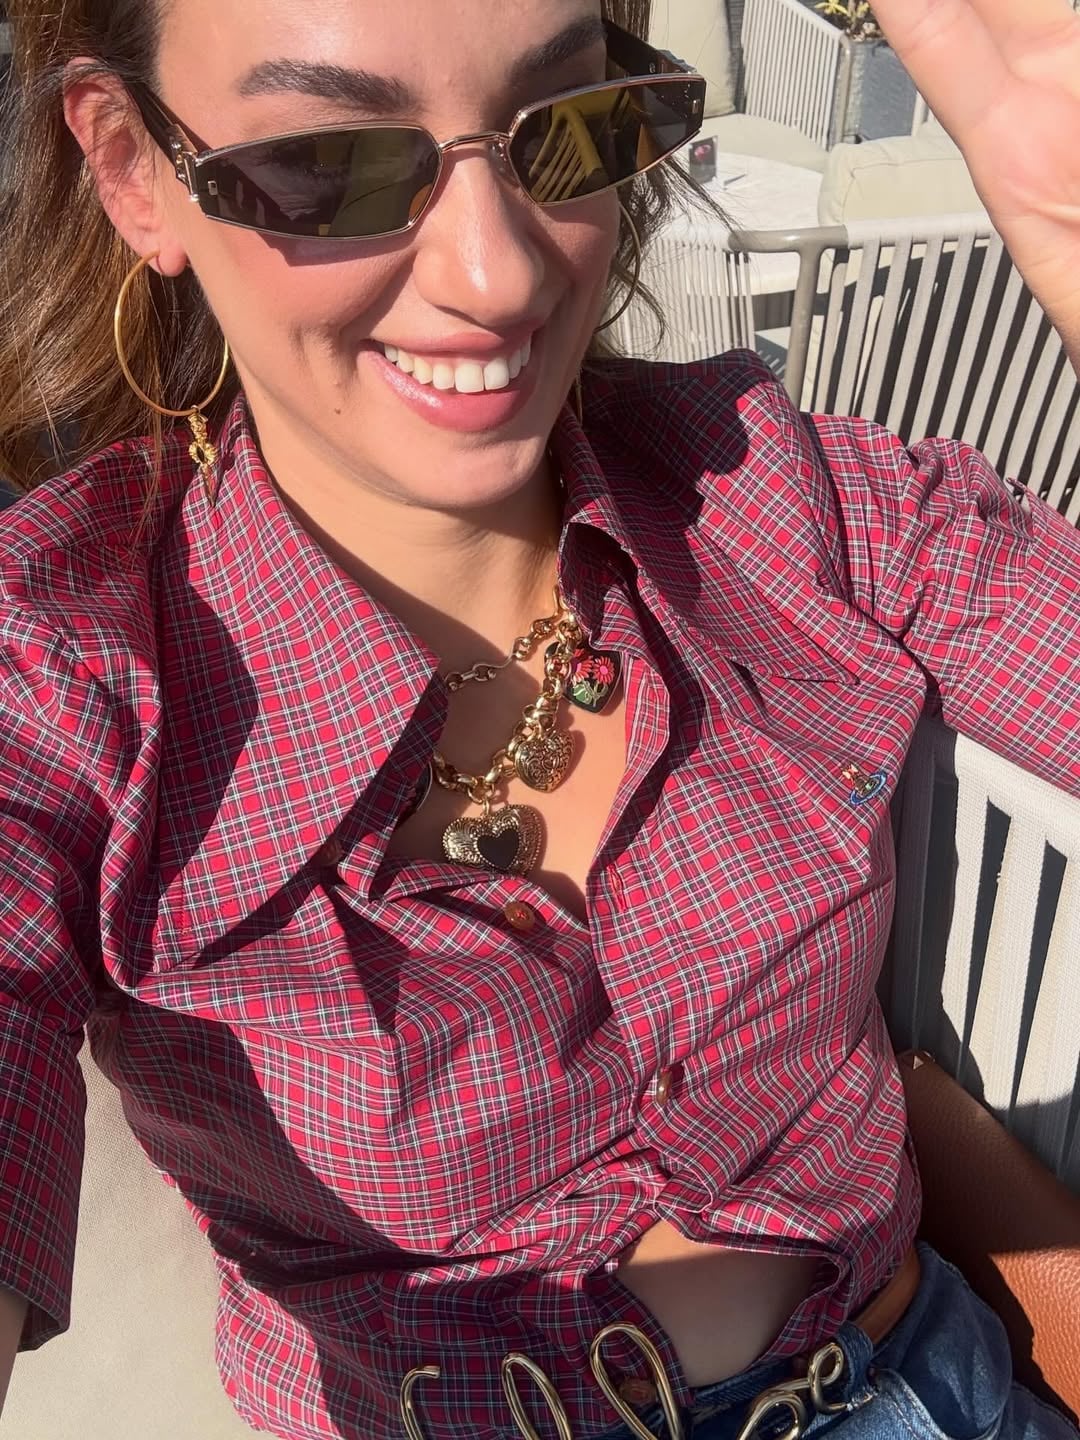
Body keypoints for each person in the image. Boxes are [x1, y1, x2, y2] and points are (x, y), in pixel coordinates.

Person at [0, 0, 1076, 1438]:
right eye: (332, 160)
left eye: (564, 127)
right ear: (137, 171)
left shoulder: (772, 497)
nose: (496, 268)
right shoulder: (66, 670)